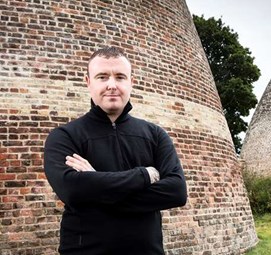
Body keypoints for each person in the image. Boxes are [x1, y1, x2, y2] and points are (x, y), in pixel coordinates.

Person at [44, 46, 187, 255]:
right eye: (102, 77)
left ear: (131, 82)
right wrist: (144, 175)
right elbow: (72, 190)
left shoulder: (155, 135)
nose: (112, 85)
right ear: (88, 82)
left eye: (120, 77)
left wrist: (95, 184)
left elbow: (176, 192)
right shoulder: (65, 136)